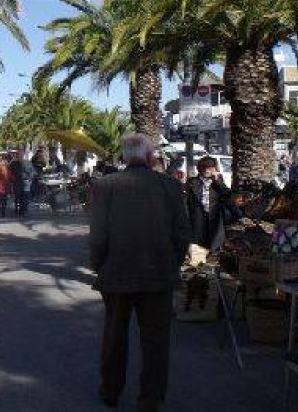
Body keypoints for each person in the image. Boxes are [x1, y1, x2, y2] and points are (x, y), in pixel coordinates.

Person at [90, 134, 192, 412]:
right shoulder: (170, 186)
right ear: (151, 157)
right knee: (156, 343)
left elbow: (98, 236)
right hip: (158, 276)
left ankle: (110, 391)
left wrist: (99, 265)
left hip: (116, 274)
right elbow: (182, 233)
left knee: (114, 336)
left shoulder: (104, 186)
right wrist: (172, 262)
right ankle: (149, 402)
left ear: (123, 157)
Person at [185, 156, 233, 254]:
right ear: (199, 168)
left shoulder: (218, 181)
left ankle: (212, 255)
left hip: (214, 214)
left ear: (215, 169)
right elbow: (188, 201)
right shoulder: (193, 181)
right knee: (199, 243)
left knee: (214, 241)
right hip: (198, 215)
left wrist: (218, 180)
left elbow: (227, 194)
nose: (207, 170)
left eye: (210, 168)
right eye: (204, 167)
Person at [9, 151, 34, 216]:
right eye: (18, 155)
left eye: (19, 155)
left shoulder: (25, 162)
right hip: (19, 182)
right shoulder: (14, 163)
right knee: (20, 196)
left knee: (23, 196)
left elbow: (32, 172)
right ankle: (20, 210)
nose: (19, 156)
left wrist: (30, 179)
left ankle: (22, 210)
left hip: (23, 182)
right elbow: (10, 172)